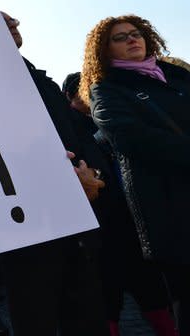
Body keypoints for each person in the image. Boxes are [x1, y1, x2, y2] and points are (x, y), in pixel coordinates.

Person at [0, 12, 109, 336]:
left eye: (11, 20)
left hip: (77, 219)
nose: (13, 24)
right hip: (26, 224)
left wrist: (93, 174)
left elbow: (82, 139)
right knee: (37, 316)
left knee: (88, 315)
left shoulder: (41, 81)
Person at [81, 14, 189, 334]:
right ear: (105, 50)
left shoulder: (176, 76)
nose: (132, 39)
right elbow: (131, 139)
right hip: (169, 209)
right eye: (120, 37)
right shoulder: (107, 90)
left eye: (136, 33)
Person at [62, 72, 177, 336]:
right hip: (102, 229)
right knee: (108, 301)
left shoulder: (105, 119)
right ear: (70, 97)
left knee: (152, 295)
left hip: (129, 224)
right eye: (83, 91)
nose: (89, 95)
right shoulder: (74, 127)